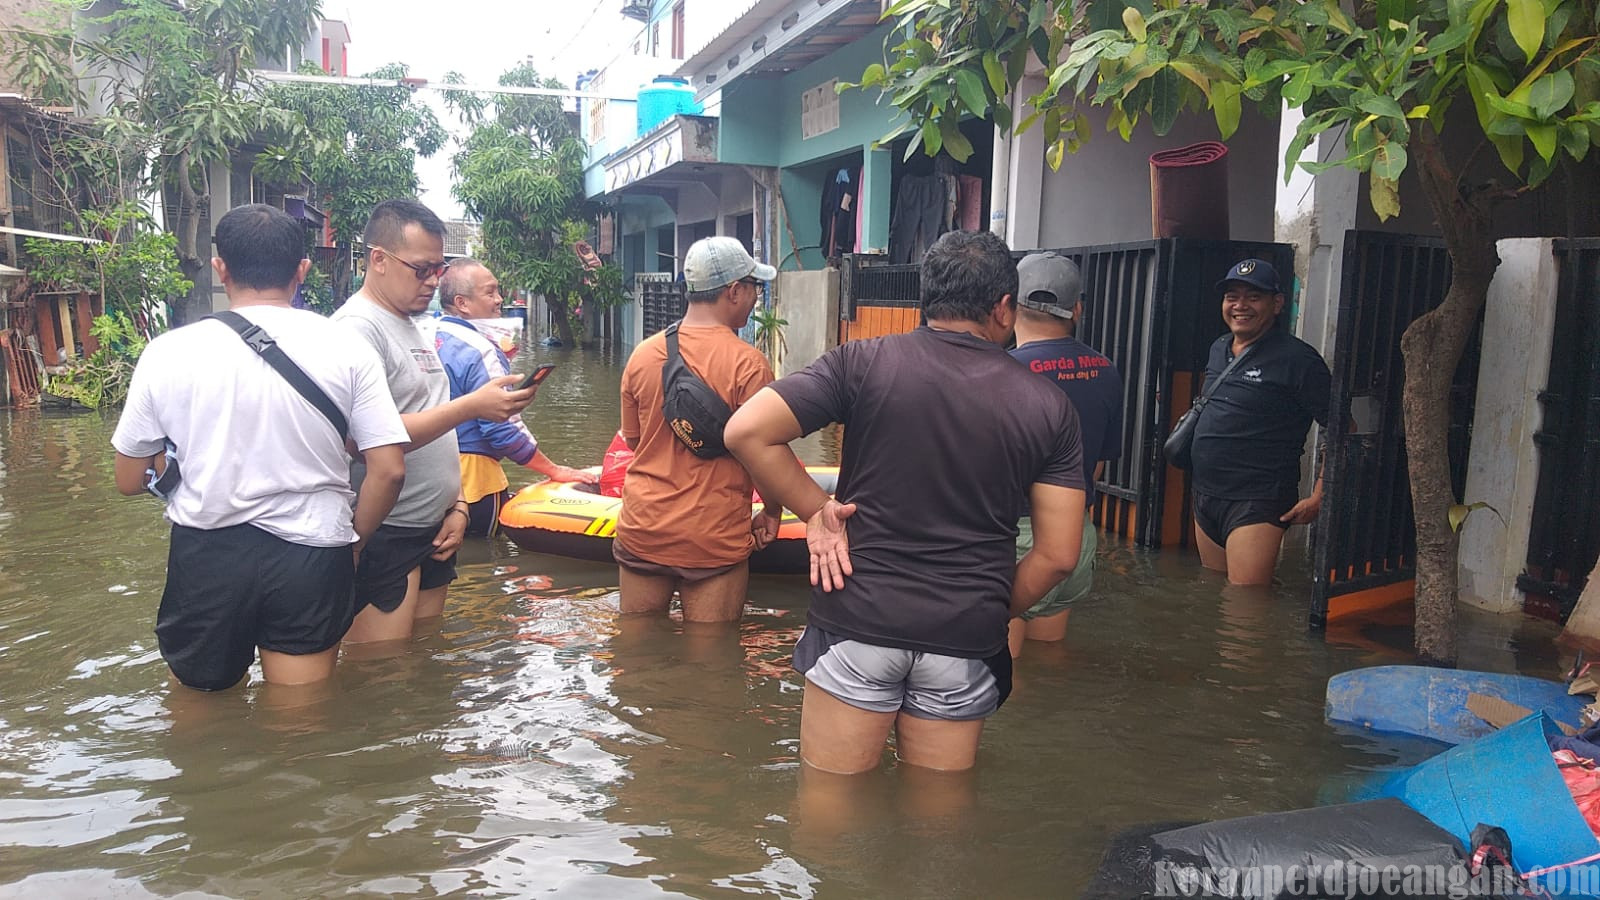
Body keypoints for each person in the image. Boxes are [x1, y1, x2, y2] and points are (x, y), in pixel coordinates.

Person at [724, 230, 1088, 775]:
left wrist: (817, 514)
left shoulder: (862, 363)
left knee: (830, 812)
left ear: (926, 298)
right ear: (1005, 308)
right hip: (964, 636)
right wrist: (990, 606)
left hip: (859, 616)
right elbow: (1059, 555)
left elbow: (746, 431)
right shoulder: (1048, 406)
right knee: (937, 822)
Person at [111, 203, 409, 691]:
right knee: (298, 717)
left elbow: (128, 480)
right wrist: (352, 542)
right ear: (302, 270)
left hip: (207, 553)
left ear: (220, 268)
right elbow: (389, 469)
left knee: (198, 708)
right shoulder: (347, 347)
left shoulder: (168, 351)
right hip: (313, 551)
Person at [332, 200, 537, 644]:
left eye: (438, 270)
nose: (432, 282)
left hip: (435, 524)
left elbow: (432, 420)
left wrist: (458, 504)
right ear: (379, 260)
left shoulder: (415, 324)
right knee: (381, 675)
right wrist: (472, 407)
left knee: (425, 666)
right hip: (386, 530)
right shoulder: (356, 329)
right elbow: (364, 440)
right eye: (421, 269)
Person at [614, 236, 782, 623]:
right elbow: (767, 458)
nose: (757, 296)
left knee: (635, 658)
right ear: (734, 291)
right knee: (712, 666)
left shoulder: (644, 355)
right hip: (712, 537)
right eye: (755, 287)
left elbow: (635, 442)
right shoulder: (749, 366)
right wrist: (772, 510)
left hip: (645, 527)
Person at [1007, 252, 1125, 657]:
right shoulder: (1105, 370)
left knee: (997, 677)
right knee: (1046, 660)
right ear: (1077, 309)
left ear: (1008, 304)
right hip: (1076, 535)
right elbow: (1095, 466)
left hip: (1016, 537)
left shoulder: (1000, 371)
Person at [1190, 258, 1332, 585]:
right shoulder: (1218, 348)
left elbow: (1340, 429)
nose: (1240, 306)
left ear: (1277, 303)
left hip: (1257, 499)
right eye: (1232, 296)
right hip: (1206, 495)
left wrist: (1321, 494)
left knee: (1245, 607)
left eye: (1253, 297)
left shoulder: (1299, 359)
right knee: (1212, 591)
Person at [435, 257, 596, 537]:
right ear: (462, 303)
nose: (499, 300)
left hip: (424, 477)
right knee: (482, 563)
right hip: (474, 480)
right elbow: (501, 428)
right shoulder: (480, 350)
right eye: (490, 292)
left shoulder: (427, 337)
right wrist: (554, 469)